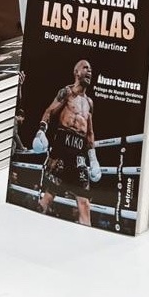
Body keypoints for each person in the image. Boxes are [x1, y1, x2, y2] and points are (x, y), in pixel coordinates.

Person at [32, 59, 101, 226]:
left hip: (79, 155)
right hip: (61, 151)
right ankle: (32, 228)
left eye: (91, 69)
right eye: (85, 68)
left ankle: (86, 241)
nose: (89, 71)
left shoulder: (89, 103)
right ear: (76, 72)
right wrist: (41, 130)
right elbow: (50, 111)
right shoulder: (66, 92)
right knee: (48, 198)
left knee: (84, 203)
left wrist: (93, 158)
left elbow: (90, 132)